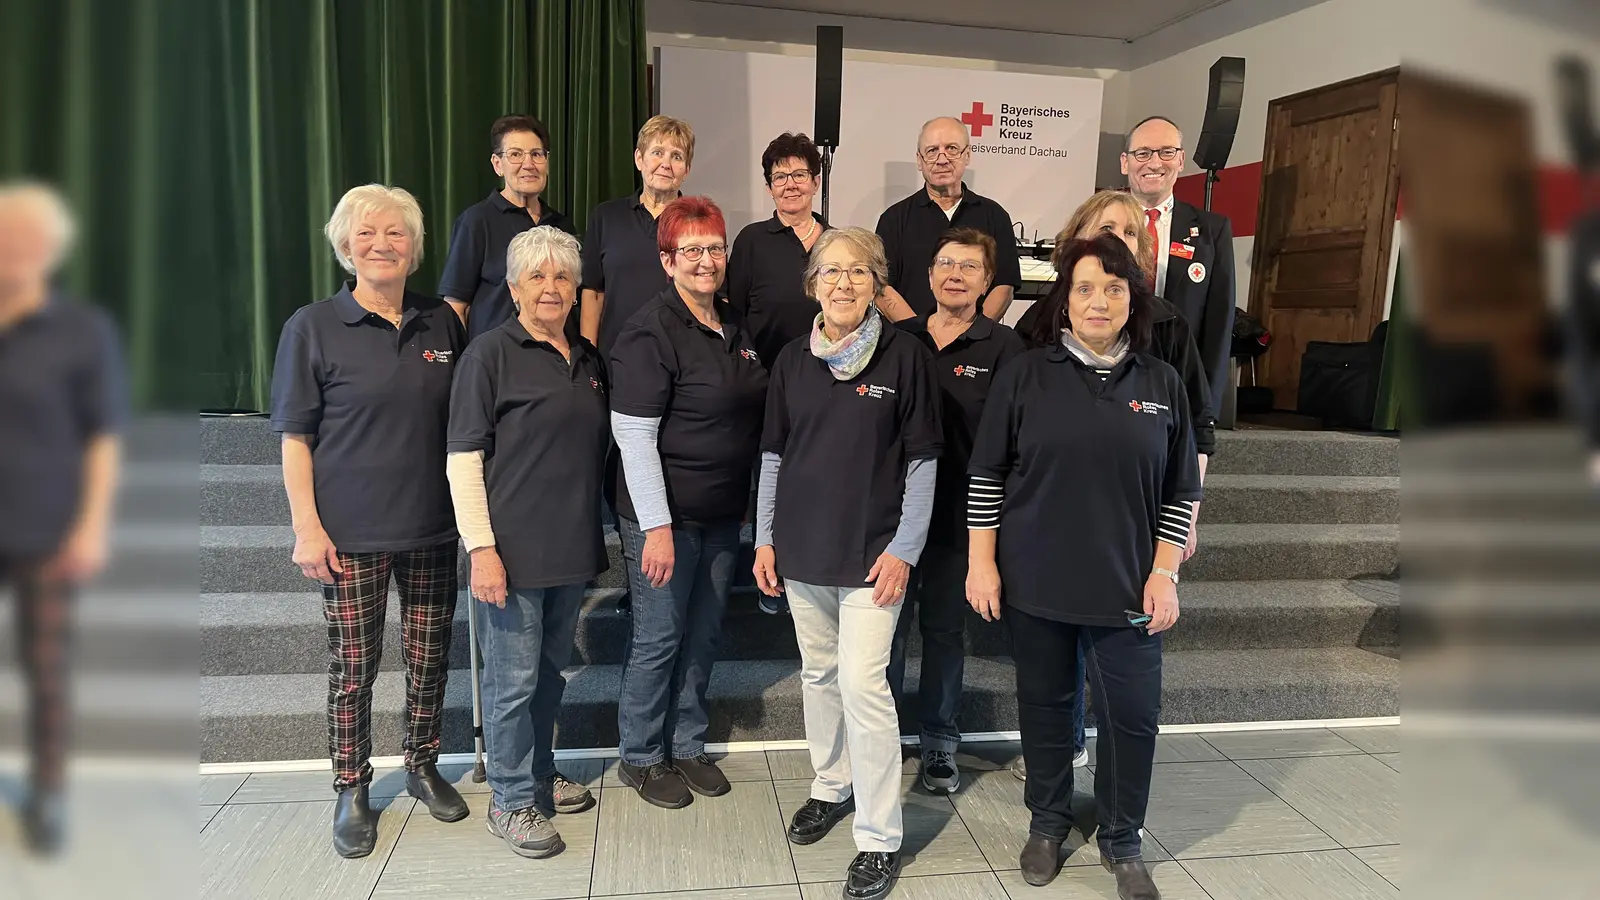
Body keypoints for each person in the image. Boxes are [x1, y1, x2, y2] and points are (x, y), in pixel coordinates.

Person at [967, 234, 1201, 896]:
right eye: (1085, 288)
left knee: (1131, 713)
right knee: (1045, 705)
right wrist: (982, 564)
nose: (1099, 301)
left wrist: (1165, 573)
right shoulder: (1026, 373)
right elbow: (986, 474)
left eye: (1115, 288)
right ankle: (1048, 822)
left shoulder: (1162, 382)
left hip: (1129, 584)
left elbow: (1181, 490)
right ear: (1064, 300)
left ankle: (1123, 838)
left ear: (1134, 301)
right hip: (1036, 577)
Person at [270, 184, 469, 859]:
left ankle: (421, 764)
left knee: (428, 659)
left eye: (397, 234)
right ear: (345, 246)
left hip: (433, 529)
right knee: (354, 667)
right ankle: (351, 787)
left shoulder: (442, 322)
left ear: (415, 247)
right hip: (348, 534)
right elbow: (295, 437)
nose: (382, 244)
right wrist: (306, 527)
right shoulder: (312, 326)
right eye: (367, 234)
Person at [755, 227, 943, 900]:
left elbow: (923, 462)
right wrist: (765, 538)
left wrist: (904, 549)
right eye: (830, 272)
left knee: (864, 685)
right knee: (819, 673)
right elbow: (774, 455)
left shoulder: (905, 357)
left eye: (857, 273)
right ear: (812, 284)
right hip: (803, 548)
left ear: (876, 285)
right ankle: (831, 785)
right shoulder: (791, 360)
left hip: (874, 555)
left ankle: (879, 836)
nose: (842, 284)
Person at [1010, 190, 1219, 783]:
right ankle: (1063, 749)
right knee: (1055, 658)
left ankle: (1118, 797)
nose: (1117, 241)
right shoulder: (1040, 327)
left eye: (1130, 233)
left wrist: (1184, 525)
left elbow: (1194, 432)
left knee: (1123, 668)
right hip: (1053, 526)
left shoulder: (1170, 329)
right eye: (1105, 229)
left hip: (1134, 522)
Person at [445, 226, 604, 860]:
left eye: (562, 276)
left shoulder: (588, 359)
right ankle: (510, 802)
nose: (550, 287)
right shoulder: (489, 354)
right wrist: (481, 548)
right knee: (510, 683)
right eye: (536, 276)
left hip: (570, 548)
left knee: (549, 676)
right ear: (512, 289)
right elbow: (463, 457)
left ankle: (539, 772)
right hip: (508, 554)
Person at [608, 197, 769, 809]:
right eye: (692, 250)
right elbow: (634, 436)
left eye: (715, 247)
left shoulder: (733, 325)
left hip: (723, 514)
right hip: (662, 519)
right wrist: (657, 527)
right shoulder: (648, 331)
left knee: (703, 634)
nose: (706, 261)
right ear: (667, 259)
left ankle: (687, 742)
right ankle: (642, 755)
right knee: (660, 635)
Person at [0, 182, 126, 855]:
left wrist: (91, 525)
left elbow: (103, 434)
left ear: (51, 251)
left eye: (28, 241)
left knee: (46, 668)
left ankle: (48, 793)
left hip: (45, 526)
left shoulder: (81, 330)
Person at [886, 227, 1024, 795]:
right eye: (945, 263)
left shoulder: (1006, 348)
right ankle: (882, 740)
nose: (954, 274)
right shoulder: (899, 337)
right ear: (928, 274)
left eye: (968, 267)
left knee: (943, 631)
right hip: (893, 516)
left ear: (987, 282)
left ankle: (940, 744)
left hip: (960, 520)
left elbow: (1016, 438)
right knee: (886, 634)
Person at [727, 131, 831, 616]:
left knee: (808, 481)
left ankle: (800, 572)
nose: (790, 184)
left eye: (799, 175)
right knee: (764, 477)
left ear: (815, 181)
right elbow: (734, 314)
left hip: (826, 388)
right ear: (769, 186)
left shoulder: (836, 242)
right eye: (779, 177)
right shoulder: (751, 240)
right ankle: (764, 570)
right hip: (765, 382)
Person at [1122, 115, 1236, 416]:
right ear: (1125, 163)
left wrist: (1207, 404)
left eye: (1166, 152)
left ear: (1181, 160)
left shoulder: (1213, 231)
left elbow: (1219, 321)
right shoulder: (1100, 222)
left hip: (1178, 379)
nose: (1154, 162)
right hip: (1110, 369)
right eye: (1142, 153)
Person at [439, 115, 576, 344]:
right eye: (515, 154)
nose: (528, 164)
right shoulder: (476, 221)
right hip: (496, 366)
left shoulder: (562, 226)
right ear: (497, 164)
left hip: (555, 364)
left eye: (537, 154)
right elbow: (456, 307)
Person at [874, 117, 1022, 323]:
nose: (942, 159)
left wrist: (973, 334)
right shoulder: (893, 219)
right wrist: (920, 336)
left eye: (951, 148)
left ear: (967, 155)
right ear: (919, 160)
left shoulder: (995, 216)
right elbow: (882, 287)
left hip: (977, 349)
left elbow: (1004, 285)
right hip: (910, 344)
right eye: (932, 151)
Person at [580, 115, 695, 356]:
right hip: (616, 359)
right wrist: (588, 357)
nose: (666, 163)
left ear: (687, 170)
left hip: (683, 360)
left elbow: (717, 297)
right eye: (657, 153)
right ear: (639, 159)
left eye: (676, 156)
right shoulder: (605, 216)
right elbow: (593, 293)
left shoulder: (698, 221)